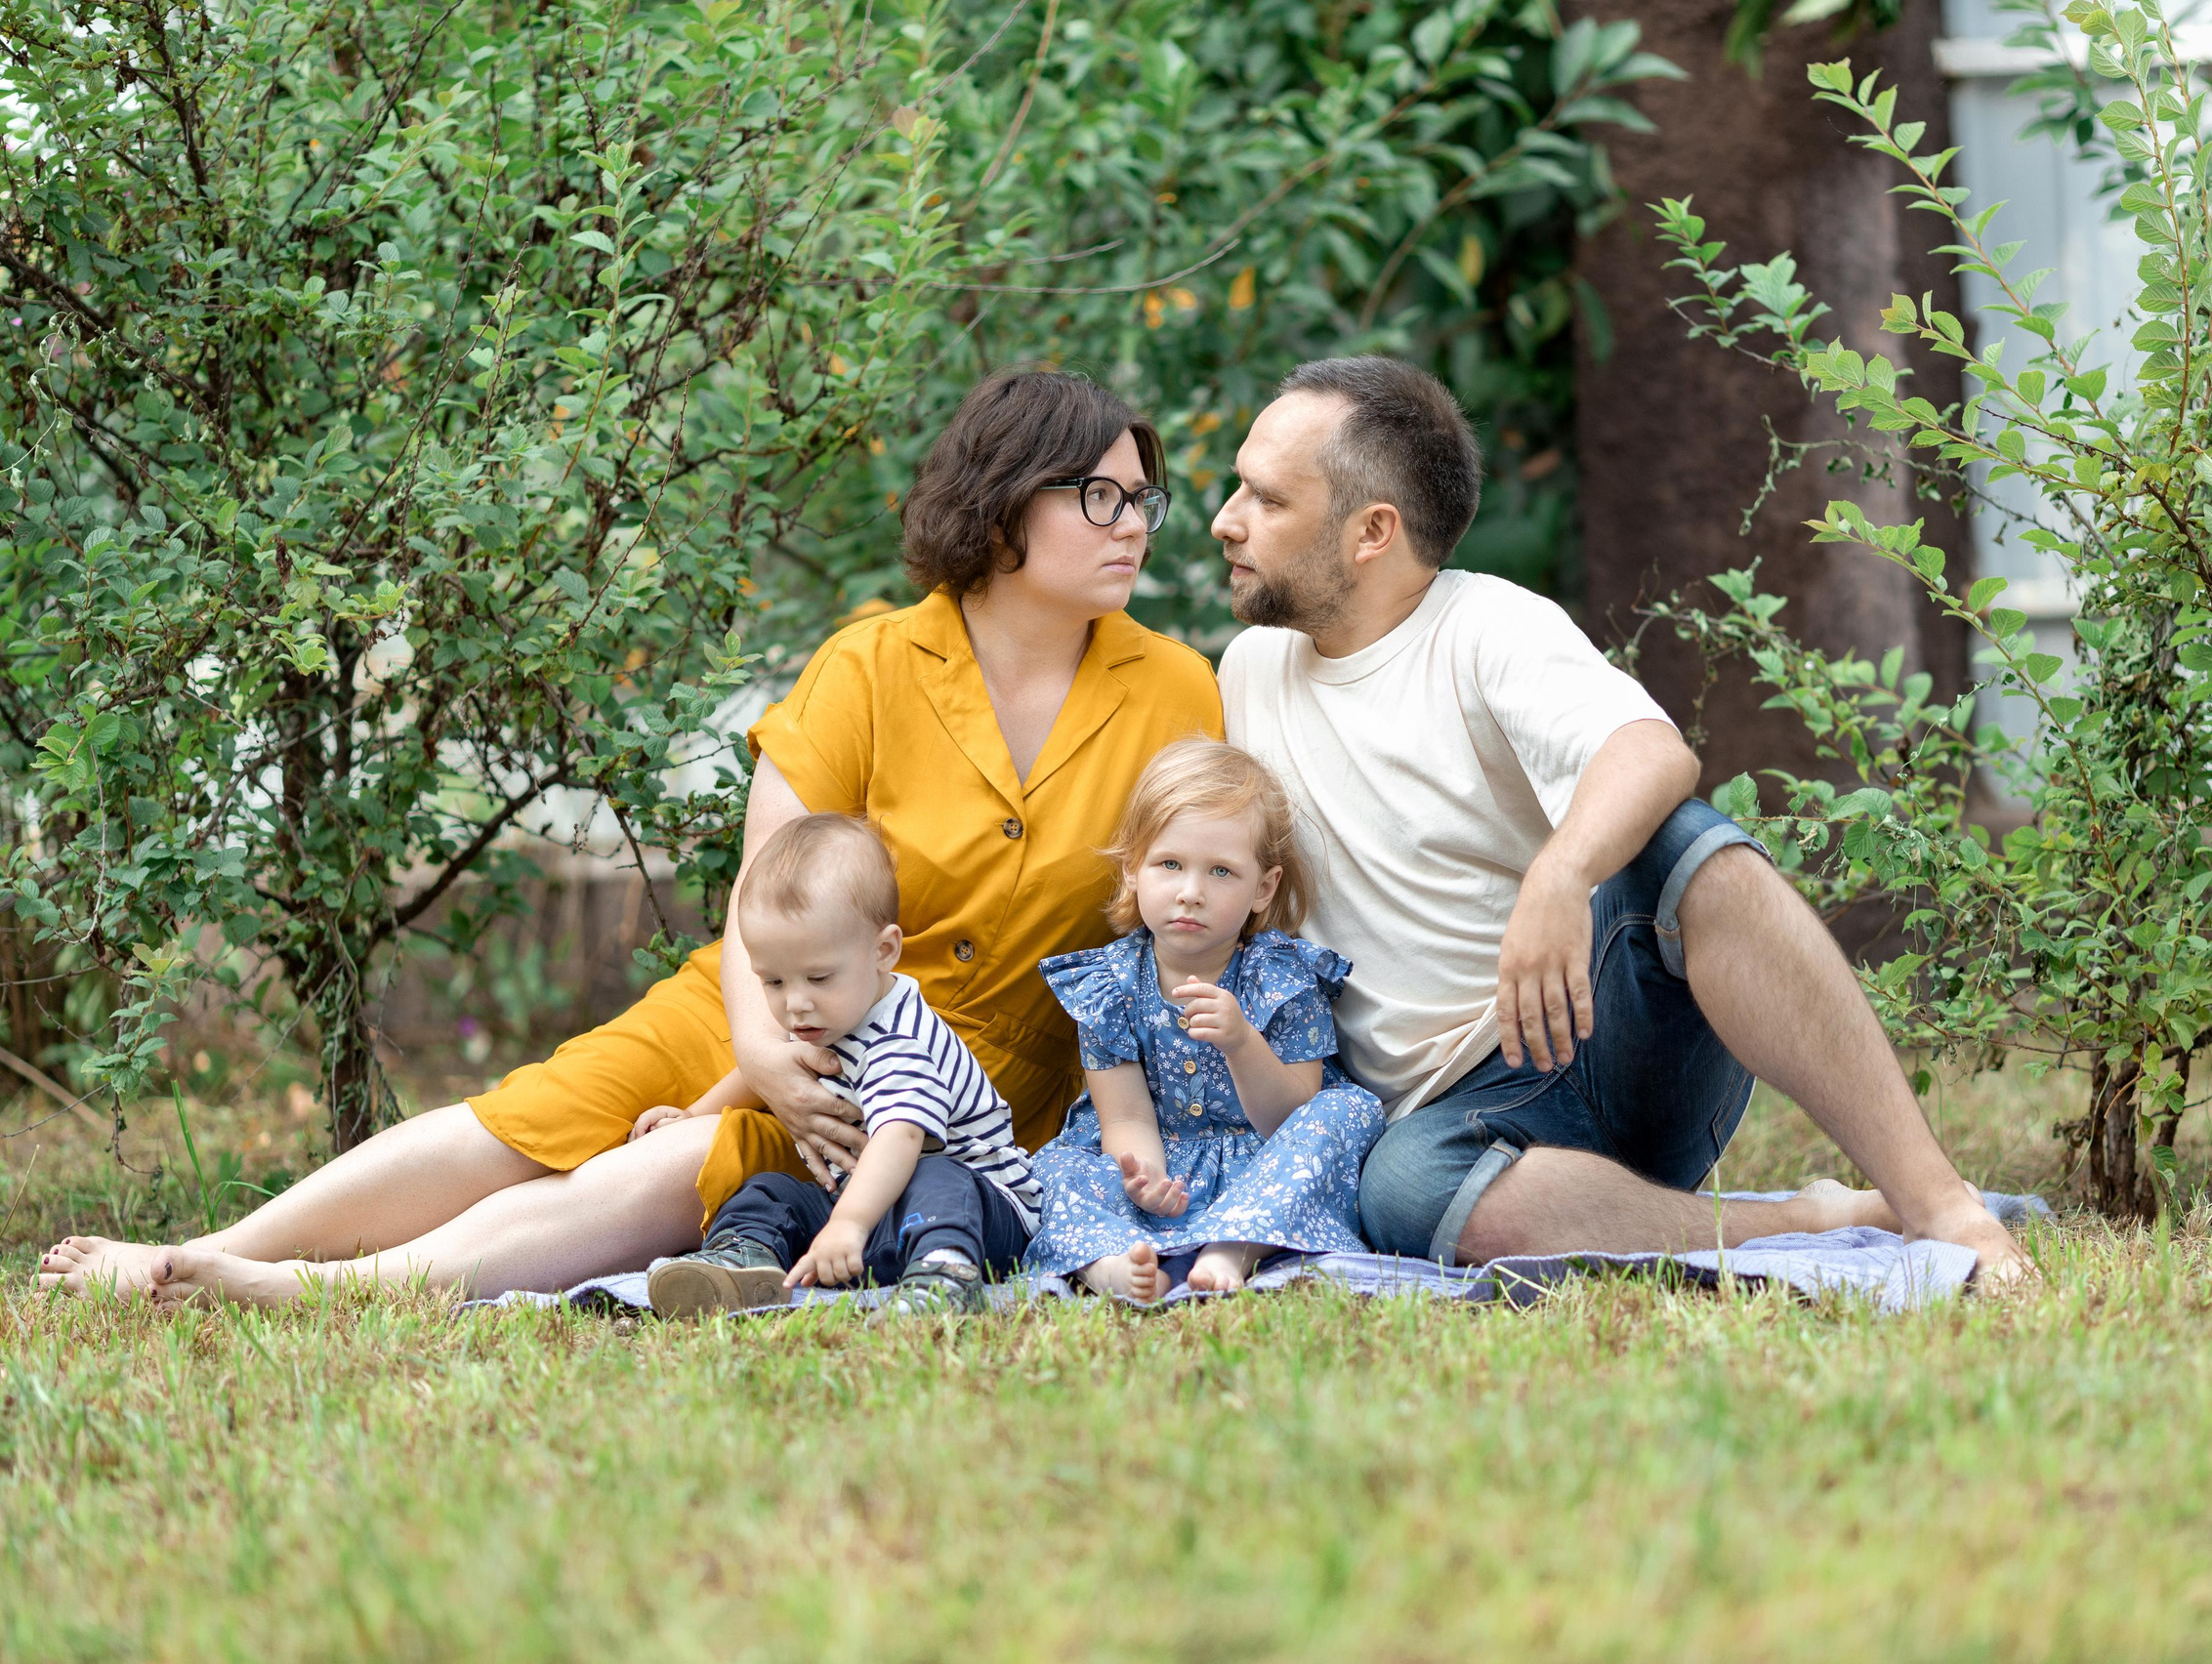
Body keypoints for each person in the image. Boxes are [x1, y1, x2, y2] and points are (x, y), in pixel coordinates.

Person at [40, 369, 1221, 1305]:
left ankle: (309, 1291)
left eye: (1141, 501)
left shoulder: (1173, 691)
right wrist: (759, 1052)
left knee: (665, 1169)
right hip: (766, 994)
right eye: (1099, 497)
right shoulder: (872, 660)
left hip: (945, 1075)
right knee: (544, 1111)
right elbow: (767, 884)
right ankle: (193, 1249)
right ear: (1007, 502)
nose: (1134, 527)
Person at [1209, 356, 2031, 1286]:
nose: (1225, 520)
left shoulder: (1485, 627)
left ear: (1373, 531)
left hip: (1600, 1036)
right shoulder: (1250, 671)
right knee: (1400, 1191)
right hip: (1453, 1133)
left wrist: (1559, 877)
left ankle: (1944, 1211)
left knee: (1687, 847)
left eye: (1266, 499)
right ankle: (1805, 1218)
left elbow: (1651, 750)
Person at [1021, 738, 1383, 1301]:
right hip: (1156, 1158)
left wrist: (1243, 1043)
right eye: (1170, 864)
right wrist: (1146, 1181)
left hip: (1263, 1161)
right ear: (1132, 871)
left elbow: (1292, 1117)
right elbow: (1124, 1117)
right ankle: (1114, 1264)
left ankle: (1232, 1246)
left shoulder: (1282, 979)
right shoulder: (1107, 985)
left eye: (1221, 871)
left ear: (1263, 888)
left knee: (1344, 1114)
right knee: (1058, 1170)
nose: (1191, 893)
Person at [641, 813, 1039, 1318]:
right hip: (869, 1208)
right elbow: (772, 1068)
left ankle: (944, 1277)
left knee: (937, 1176)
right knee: (768, 1190)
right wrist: (694, 1113)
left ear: (884, 950)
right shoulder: (826, 1015)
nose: (796, 1004)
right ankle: (743, 1261)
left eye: (818, 977)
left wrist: (848, 1224)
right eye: (774, 982)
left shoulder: (899, 1039)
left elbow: (901, 1138)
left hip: (981, 1213)